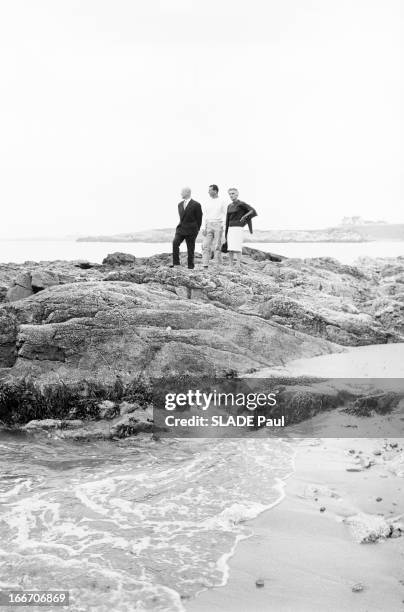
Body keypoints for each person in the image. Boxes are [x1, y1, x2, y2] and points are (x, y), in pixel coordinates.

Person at [225, 188, 257, 270]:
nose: (231, 195)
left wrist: (244, 216)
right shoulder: (229, 206)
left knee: (237, 246)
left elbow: (252, 211)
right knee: (230, 247)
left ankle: (238, 264)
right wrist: (226, 231)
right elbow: (227, 219)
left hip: (238, 228)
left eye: (233, 193)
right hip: (230, 227)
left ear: (237, 194)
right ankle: (231, 264)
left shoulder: (241, 204)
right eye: (230, 194)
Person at [171, 187, 202, 269]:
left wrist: (196, 230)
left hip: (191, 230)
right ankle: (176, 263)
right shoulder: (180, 204)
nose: (181, 194)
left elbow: (199, 219)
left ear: (188, 193)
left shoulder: (196, 204)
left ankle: (190, 266)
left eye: (182, 192)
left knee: (190, 248)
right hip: (181, 229)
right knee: (175, 243)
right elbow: (181, 217)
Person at [201, 184, 227, 268]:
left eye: (210, 190)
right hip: (208, 225)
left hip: (218, 225)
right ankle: (205, 265)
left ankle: (217, 266)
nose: (208, 192)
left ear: (215, 191)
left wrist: (223, 225)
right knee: (205, 245)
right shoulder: (207, 202)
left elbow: (226, 214)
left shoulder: (222, 201)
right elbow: (204, 215)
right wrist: (203, 227)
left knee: (217, 246)